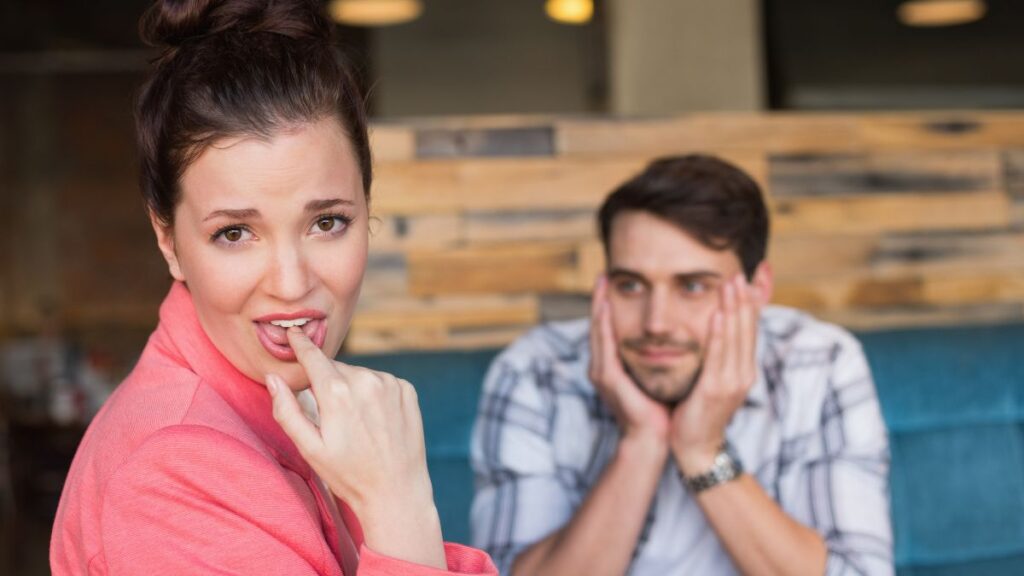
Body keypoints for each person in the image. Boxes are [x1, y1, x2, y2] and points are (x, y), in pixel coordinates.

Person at [50, 1, 497, 574]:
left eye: (327, 222)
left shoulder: (293, 406)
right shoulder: (173, 472)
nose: (292, 283)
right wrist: (397, 504)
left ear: (367, 209)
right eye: (235, 233)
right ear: (168, 240)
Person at [470, 155, 892, 575]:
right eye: (630, 285)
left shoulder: (821, 365)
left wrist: (703, 451)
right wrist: (641, 442)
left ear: (757, 289)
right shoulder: (534, 372)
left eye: (693, 286)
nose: (656, 323)